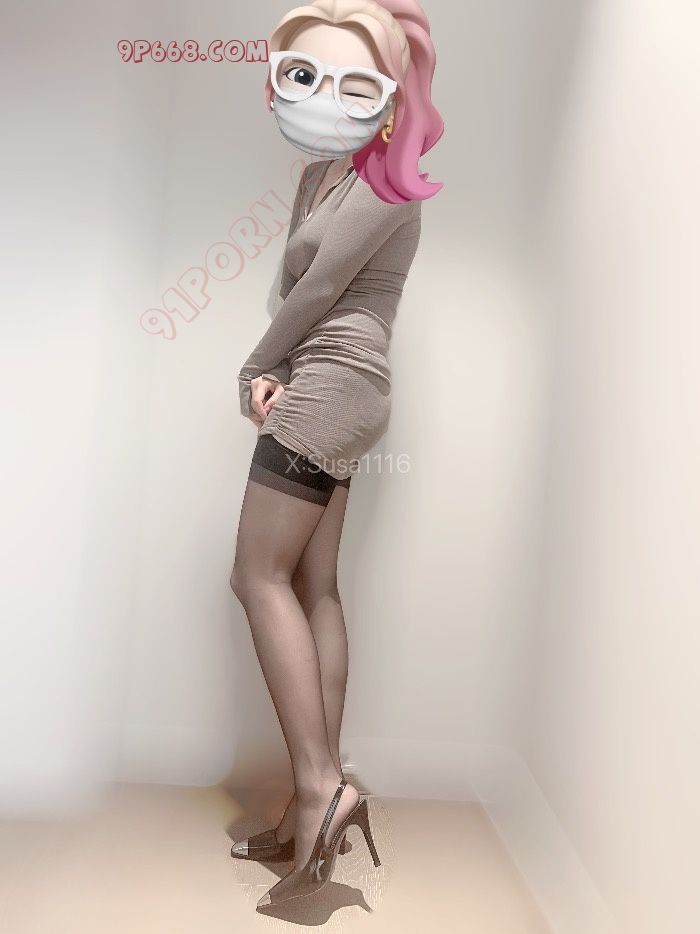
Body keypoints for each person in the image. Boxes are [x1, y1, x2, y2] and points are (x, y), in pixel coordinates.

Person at [229, 0, 443, 909]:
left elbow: (319, 289)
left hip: (338, 385)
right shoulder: (322, 174)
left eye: (359, 80)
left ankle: (323, 787)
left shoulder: (394, 186)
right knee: (313, 587)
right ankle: (306, 804)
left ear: (392, 94)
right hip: (320, 380)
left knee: (256, 577)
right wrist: (278, 368)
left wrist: (255, 365)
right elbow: (297, 287)